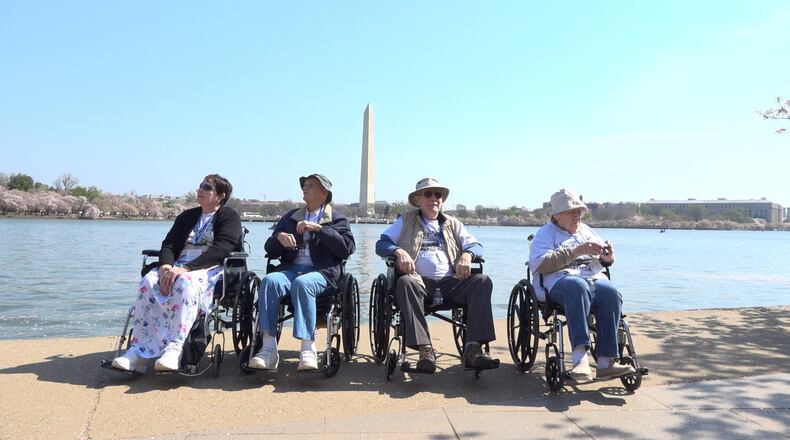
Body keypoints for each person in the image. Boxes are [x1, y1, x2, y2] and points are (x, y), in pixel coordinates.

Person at [112, 174, 242, 372]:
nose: (200, 189)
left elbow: (221, 249)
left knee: (185, 283)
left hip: (208, 267)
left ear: (220, 196)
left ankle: (175, 348)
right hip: (178, 265)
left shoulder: (228, 216)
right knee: (149, 281)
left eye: (207, 187)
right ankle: (137, 351)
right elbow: (169, 245)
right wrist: (166, 266)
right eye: (200, 185)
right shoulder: (187, 216)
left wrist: (187, 268)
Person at [375, 177, 497, 373]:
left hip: (451, 283)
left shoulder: (453, 223)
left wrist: (467, 254)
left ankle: (473, 347)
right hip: (419, 283)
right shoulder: (405, 220)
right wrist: (398, 251)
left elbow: (477, 246)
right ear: (418, 200)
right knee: (404, 282)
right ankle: (425, 350)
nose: (434, 198)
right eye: (428, 194)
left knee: (482, 281)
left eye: (438, 194)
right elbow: (381, 244)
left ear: (442, 200)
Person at [249, 174, 355, 371]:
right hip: (291, 269)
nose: (305, 188)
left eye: (311, 185)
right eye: (304, 185)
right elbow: (269, 249)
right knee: (270, 281)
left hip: (323, 272)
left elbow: (346, 249)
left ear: (324, 193)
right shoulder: (291, 217)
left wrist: (320, 230)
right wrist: (279, 237)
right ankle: (268, 348)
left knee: (303, 283)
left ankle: (308, 348)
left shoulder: (337, 218)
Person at [529, 188, 635, 382]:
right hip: (558, 281)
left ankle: (606, 362)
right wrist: (576, 251)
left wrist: (608, 257)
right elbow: (540, 264)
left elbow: (604, 259)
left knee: (611, 291)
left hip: (592, 278)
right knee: (577, 287)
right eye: (572, 211)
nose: (577, 215)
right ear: (557, 215)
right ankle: (580, 358)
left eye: (579, 211)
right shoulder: (545, 234)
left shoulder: (586, 230)